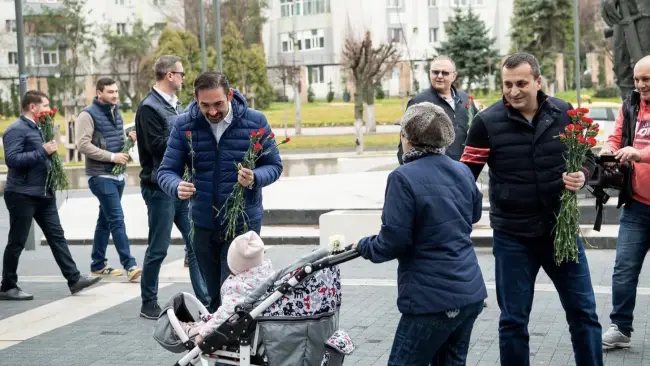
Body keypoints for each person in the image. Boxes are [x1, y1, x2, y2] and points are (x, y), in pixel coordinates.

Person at [460, 52, 602, 365]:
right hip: (513, 237)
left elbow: (590, 159)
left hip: (560, 234)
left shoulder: (564, 113)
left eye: (521, 83)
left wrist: (584, 175)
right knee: (513, 321)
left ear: (538, 82)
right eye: (507, 84)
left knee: (584, 313)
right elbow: (463, 178)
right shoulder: (486, 122)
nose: (513, 91)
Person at [354, 102, 487, 365]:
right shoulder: (461, 170)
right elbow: (473, 215)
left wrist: (364, 246)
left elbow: (393, 242)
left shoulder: (402, 177)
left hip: (431, 300)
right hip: (469, 292)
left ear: (407, 137)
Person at [157, 71, 283, 312]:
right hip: (203, 224)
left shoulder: (255, 121)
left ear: (230, 95)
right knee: (214, 295)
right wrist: (176, 185)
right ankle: (219, 345)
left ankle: (237, 344)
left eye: (218, 104)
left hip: (242, 225)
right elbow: (165, 171)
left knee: (235, 293)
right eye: (205, 105)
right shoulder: (184, 124)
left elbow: (275, 166)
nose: (213, 111)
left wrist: (255, 177)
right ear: (195, 98)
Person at [0, 90, 101, 300]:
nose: (48, 109)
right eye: (45, 105)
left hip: (44, 194)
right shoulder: (16, 129)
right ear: (32, 107)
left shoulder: (40, 128)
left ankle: (74, 279)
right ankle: (7, 286)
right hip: (22, 194)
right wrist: (42, 151)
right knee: (17, 241)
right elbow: (12, 160)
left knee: (57, 237)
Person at [136, 55, 210, 319]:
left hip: (182, 186)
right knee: (159, 247)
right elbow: (155, 145)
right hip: (159, 187)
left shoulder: (176, 105)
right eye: (181, 73)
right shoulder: (149, 107)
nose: (183, 77)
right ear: (169, 75)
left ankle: (207, 300)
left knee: (195, 244)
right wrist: (184, 132)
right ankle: (148, 302)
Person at [600, 55, 650, 349]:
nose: (641, 85)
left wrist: (639, 154)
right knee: (623, 269)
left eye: (647, 79)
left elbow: (636, 150)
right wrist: (609, 150)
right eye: (637, 79)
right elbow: (616, 137)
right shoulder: (630, 104)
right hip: (637, 205)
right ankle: (620, 327)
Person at [75, 78, 142, 282]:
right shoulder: (87, 115)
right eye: (110, 92)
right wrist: (112, 157)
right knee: (116, 218)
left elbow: (113, 139)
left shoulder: (116, 112)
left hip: (117, 175)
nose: (115, 95)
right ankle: (130, 265)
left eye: (116, 91)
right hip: (100, 175)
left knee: (104, 220)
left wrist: (127, 140)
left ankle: (98, 264)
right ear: (98, 93)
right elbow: (82, 144)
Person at [181, 231, 274, 345]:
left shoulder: (238, 286)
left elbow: (226, 314)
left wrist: (203, 334)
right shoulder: (267, 275)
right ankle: (200, 324)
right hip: (253, 322)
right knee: (214, 317)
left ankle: (192, 331)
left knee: (212, 321)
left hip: (236, 328)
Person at [396, 55, 478, 164]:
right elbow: (405, 140)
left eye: (445, 73)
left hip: (463, 168)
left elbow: (475, 131)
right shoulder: (419, 102)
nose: (439, 76)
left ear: (454, 76)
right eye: (435, 72)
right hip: (432, 169)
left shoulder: (466, 99)